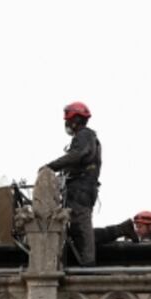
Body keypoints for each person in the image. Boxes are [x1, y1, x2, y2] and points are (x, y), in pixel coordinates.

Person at [44, 101, 101, 266]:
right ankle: (84, 260)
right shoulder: (88, 137)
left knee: (82, 226)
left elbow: (76, 155)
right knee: (77, 227)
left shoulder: (84, 135)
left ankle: (88, 264)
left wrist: (50, 167)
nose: (67, 124)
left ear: (75, 120)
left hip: (81, 188)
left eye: (68, 121)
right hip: (82, 187)